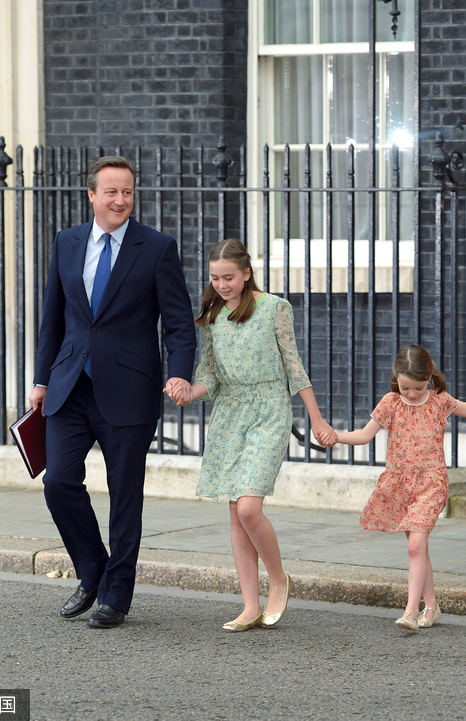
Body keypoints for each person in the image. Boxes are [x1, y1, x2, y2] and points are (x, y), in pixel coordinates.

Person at [29, 156, 197, 629]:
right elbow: (53, 319)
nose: (120, 199)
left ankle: (116, 596)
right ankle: (92, 572)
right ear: (92, 195)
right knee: (58, 482)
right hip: (70, 386)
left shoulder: (157, 248)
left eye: (127, 191)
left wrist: (180, 373)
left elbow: (180, 324)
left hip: (129, 389)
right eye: (111, 192)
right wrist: (42, 380)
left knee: (125, 496)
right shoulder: (67, 242)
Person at [168, 239, 334, 632]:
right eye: (214, 278)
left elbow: (293, 366)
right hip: (229, 416)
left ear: (246, 273)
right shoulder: (211, 315)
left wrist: (317, 419)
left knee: (248, 508)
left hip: (269, 410)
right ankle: (248, 605)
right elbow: (209, 373)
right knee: (234, 513)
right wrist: (190, 391)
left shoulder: (274, 308)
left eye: (228, 277)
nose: (221, 284)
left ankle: (278, 578)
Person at [331, 345, 466, 631]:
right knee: (417, 549)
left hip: (431, 483)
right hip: (399, 484)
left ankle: (410, 611)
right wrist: (336, 437)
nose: (410, 393)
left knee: (415, 544)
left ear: (430, 378)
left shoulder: (438, 401)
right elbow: (364, 435)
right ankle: (431, 606)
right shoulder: (390, 402)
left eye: (418, 387)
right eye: (405, 386)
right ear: (396, 377)